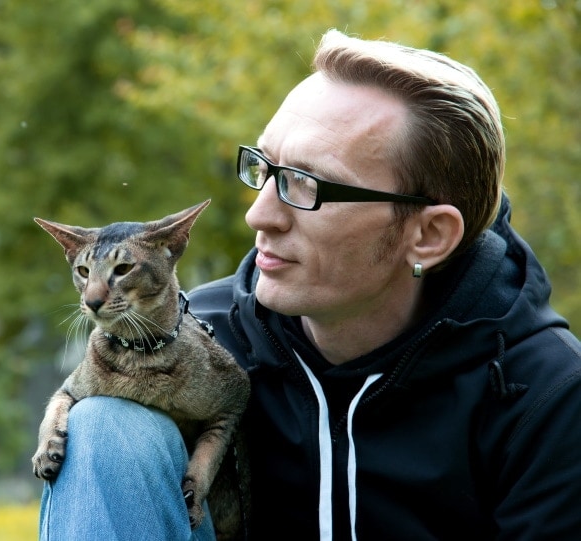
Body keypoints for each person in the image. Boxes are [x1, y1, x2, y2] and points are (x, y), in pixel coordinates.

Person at [37, 29, 581, 540]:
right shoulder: (198, 341)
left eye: (305, 184)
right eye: (264, 168)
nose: (259, 215)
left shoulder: (549, 396)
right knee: (106, 429)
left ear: (429, 235)